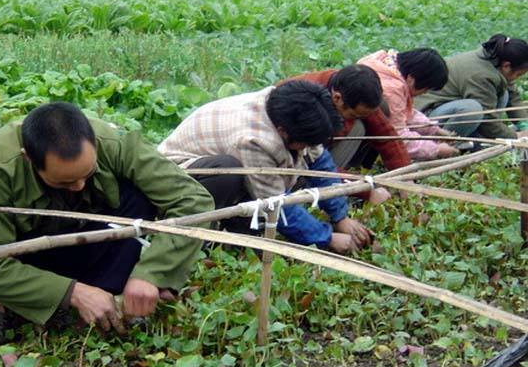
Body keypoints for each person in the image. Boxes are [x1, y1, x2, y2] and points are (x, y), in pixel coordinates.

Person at [0, 102, 214, 334]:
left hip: (89, 240)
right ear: (29, 159)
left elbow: (193, 201)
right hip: (28, 254)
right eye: (65, 182)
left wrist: (151, 273)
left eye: (87, 176)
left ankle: (108, 294)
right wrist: (74, 293)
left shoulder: (114, 143)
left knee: (140, 192)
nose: (78, 186)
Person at [158, 80, 373, 254]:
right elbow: (274, 203)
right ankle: (204, 240)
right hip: (177, 179)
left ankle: (240, 229)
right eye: (304, 144)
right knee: (229, 171)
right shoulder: (253, 140)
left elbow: (320, 163)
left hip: (221, 160)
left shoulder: (295, 110)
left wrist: (340, 216)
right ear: (282, 131)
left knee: (257, 174)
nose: (307, 148)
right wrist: (326, 237)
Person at [282, 64, 410, 203]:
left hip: (318, 149)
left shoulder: (352, 90)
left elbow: (385, 134)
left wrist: (405, 177)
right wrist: (366, 191)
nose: (356, 117)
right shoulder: (307, 105)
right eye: (354, 114)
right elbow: (313, 164)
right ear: (337, 98)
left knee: (376, 116)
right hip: (290, 159)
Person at [415, 34, 528, 139]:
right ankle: (448, 142)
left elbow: (513, 96)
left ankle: (475, 138)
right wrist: (516, 136)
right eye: (518, 74)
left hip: (448, 105)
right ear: (507, 65)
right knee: (472, 109)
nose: (516, 78)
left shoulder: (494, 60)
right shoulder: (482, 75)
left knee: (504, 94)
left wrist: (524, 124)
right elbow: (487, 118)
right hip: (426, 116)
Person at [358, 48, 459, 160]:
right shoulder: (392, 90)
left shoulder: (384, 62)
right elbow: (399, 138)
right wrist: (436, 149)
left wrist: (435, 130)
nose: (424, 92)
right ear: (411, 79)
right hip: (355, 135)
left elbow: (403, 112)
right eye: (426, 88)